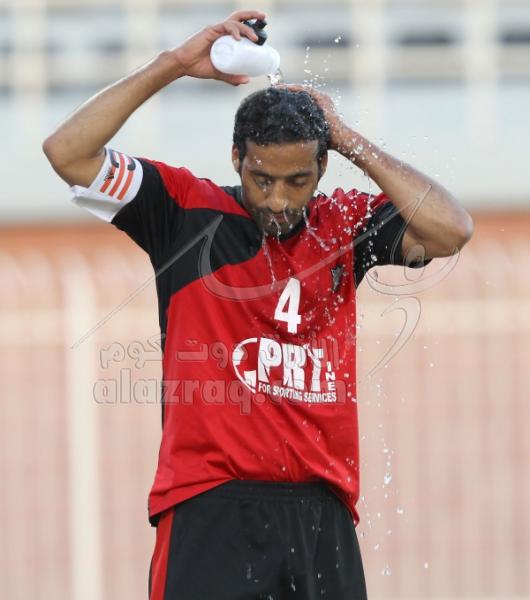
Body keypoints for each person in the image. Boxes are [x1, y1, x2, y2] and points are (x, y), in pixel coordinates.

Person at [43, 10, 473, 600]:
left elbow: (451, 230)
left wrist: (346, 137)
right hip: (210, 506)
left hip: (321, 512)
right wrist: (173, 65)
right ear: (236, 158)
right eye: (261, 178)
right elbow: (67, 152)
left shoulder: (342, 224)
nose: (276, 199)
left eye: (297, 181)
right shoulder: (183, 210)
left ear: (322, 166)